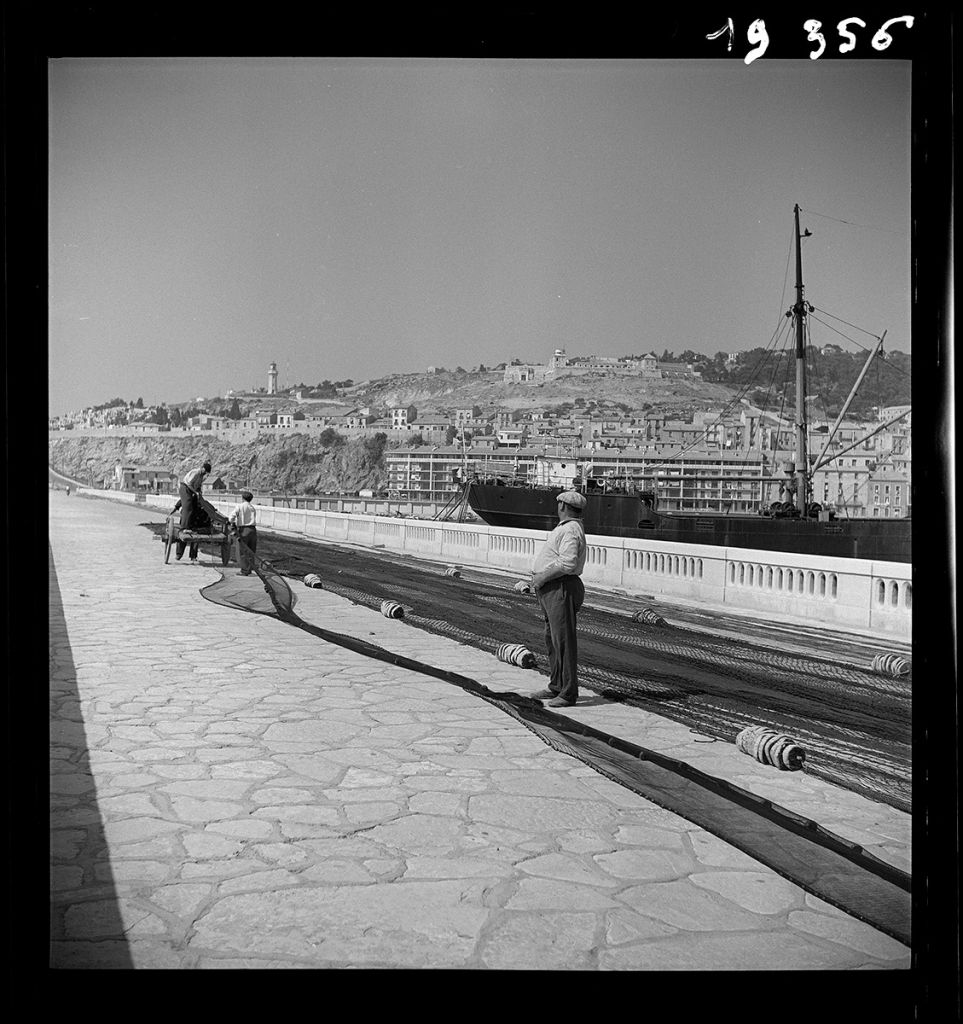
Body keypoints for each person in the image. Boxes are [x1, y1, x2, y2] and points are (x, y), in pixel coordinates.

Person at [529, 489, 588, 707]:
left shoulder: (570, 529)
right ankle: (556, 685)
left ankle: (568, 692)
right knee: (553, 640)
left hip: (560, 588)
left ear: (562, 506)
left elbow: (568, 563)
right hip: (551, 589)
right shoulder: (568, 528)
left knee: (563, 641)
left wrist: (542, 576)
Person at [179, 461, 211, 547]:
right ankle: (184, 527)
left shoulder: (201, 476)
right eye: (206, 471)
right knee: (188, 507)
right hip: (185, 488)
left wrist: (199, 492)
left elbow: (198, 486)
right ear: (203, 468)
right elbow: (189, 484)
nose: (206, 473)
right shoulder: (196, 472)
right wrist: (195, 492)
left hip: (191, 490)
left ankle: (190, 525)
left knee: (195, 507)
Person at [230, 490, 258, 575]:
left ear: (242, 498)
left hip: (244, 530)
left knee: (242, 551)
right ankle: (250, 569)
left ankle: (244, 570)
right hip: (253, 530)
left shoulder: (240, 506)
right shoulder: (252, 508)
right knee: (251, 551)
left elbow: (232, 516)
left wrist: (232, 523)